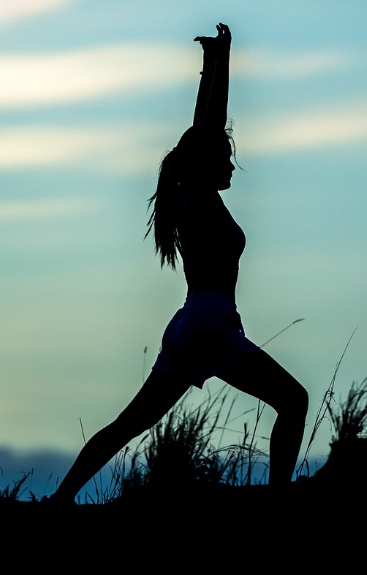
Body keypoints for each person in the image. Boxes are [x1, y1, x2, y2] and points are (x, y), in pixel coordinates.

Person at [48, 24, 308, 503]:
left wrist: (209, 65)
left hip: (191, 324)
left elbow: (203, 125)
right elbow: (209, 124)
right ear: (205, 163)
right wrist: (224, 60)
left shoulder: (192, 198)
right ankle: (279, 502)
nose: (231, 165)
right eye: (225, 158)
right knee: (294, 401)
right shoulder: (199, 199)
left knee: (126, 425)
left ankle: (59, 500)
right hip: (209, 324)